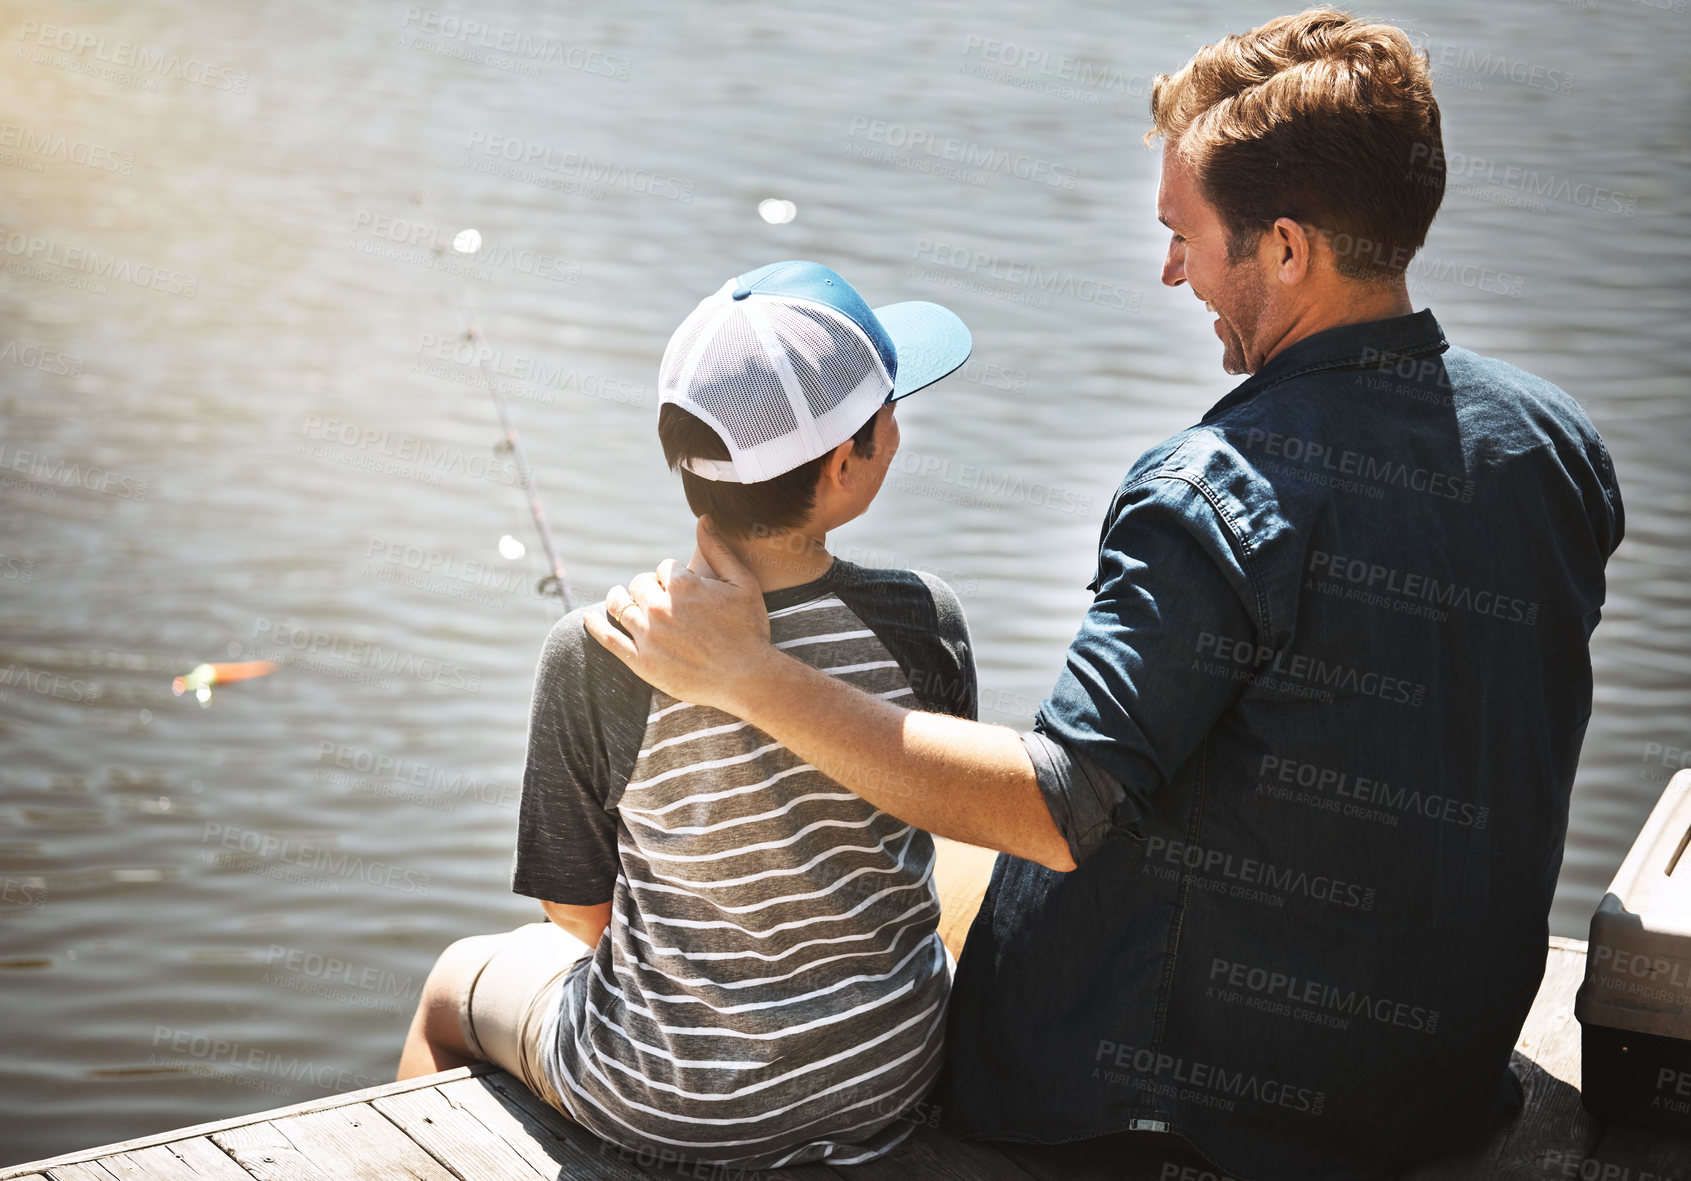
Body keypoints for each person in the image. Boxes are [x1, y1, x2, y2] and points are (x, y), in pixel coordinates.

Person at [585, 11, 1625, 1181]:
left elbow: (1052, 807)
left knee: (903, 890)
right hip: (1431, 1076)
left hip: (1179, 1112)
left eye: (1185, 236)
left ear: (1286, 248)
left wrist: (747, 673)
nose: (1170, 270)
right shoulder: (1550, 442)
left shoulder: (1215, 491)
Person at [398, 260, 981, 1170]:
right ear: (841, 466)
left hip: (666, 1102)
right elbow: (930, 806)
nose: (898, 427)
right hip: (887, 1076)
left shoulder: (594, 651)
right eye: (888, 413)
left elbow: (576, 915)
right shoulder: (924, 621)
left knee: (449, 988)